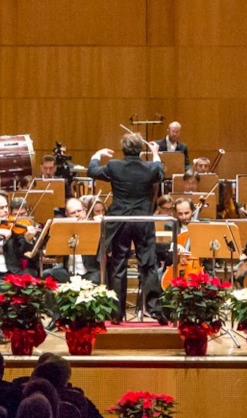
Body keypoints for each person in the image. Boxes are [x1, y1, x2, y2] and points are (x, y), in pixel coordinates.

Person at [88, 133, 166, 322]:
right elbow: (160, 173)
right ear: (141, 149)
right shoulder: (149, 167)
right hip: (142, 221)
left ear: (123, 149)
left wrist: (97, 154)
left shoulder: (114, 166)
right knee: (148, 264)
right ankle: (155, 309)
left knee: (118, 265)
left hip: (120, 221)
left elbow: (92, 171)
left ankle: (116, 313)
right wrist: (155, 153)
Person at [45, 198, 101, 284]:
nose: (77, 214)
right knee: (47, 274)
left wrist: (101, 227)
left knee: (96, 278)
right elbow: (51, 252)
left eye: (79, 211)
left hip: (89, 272)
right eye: (73, 213)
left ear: (85, 211)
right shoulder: (63, 229)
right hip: (69, 272)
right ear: (67, 214)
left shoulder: (94, 227)